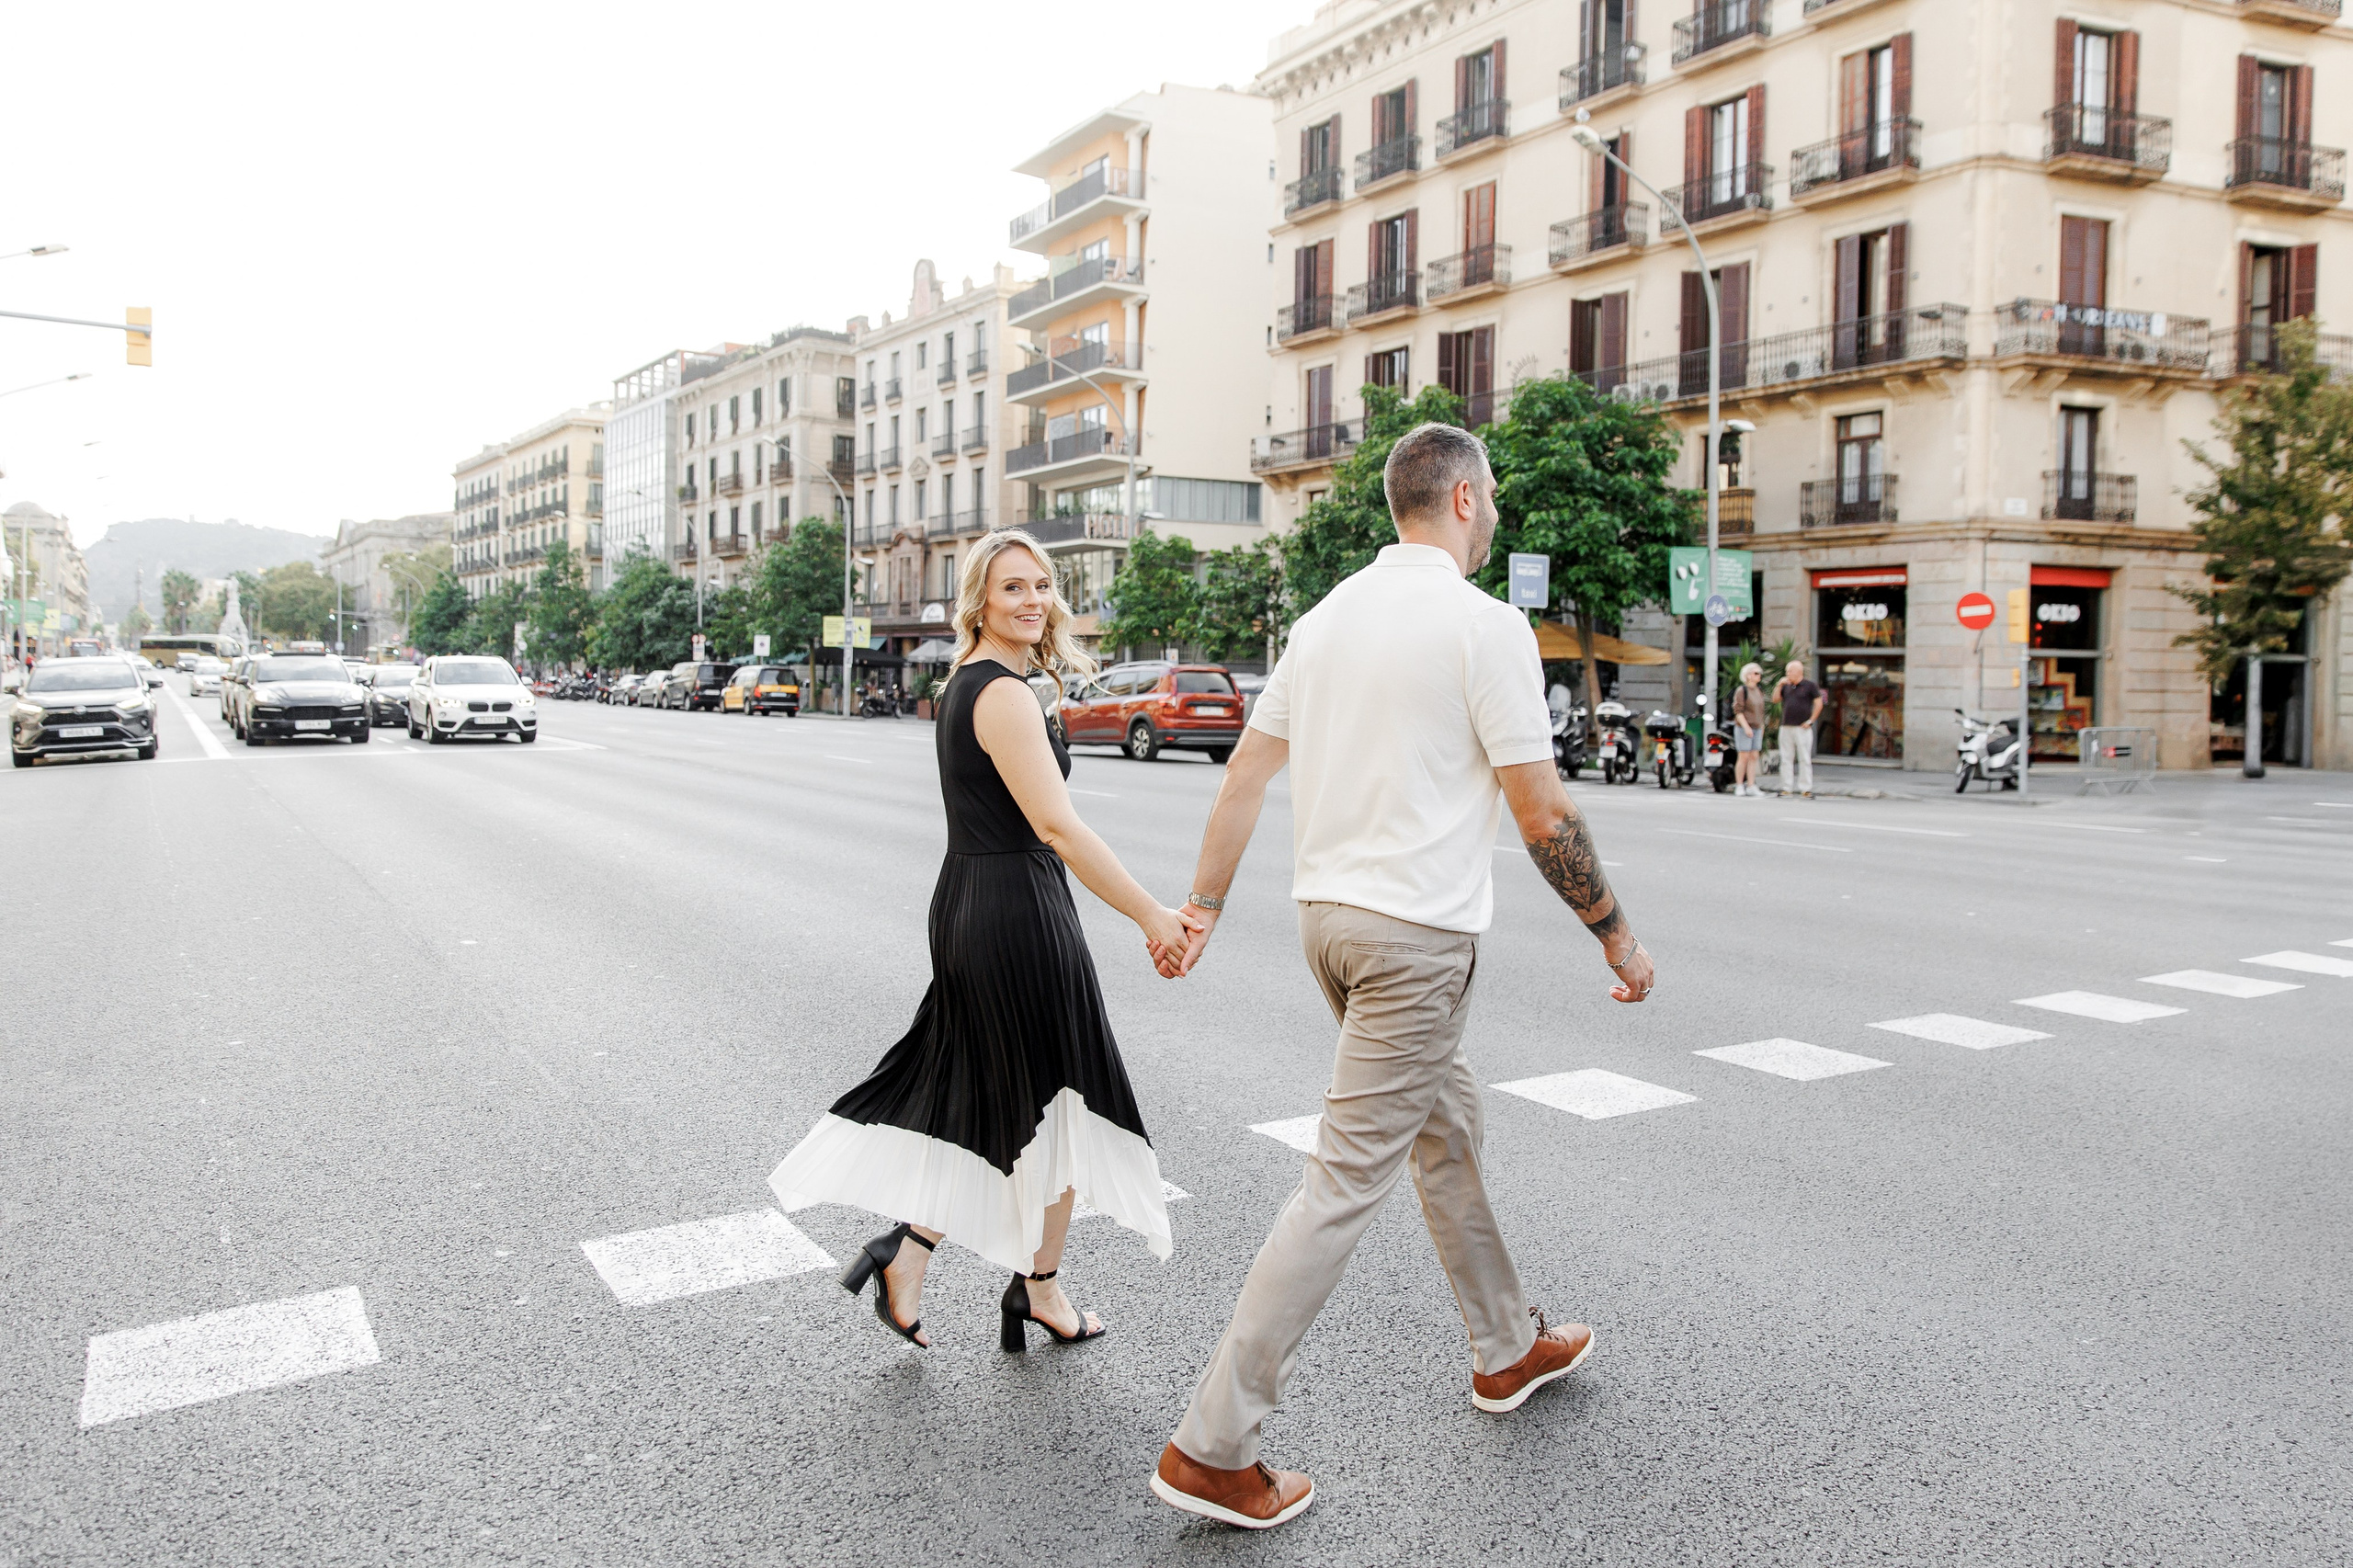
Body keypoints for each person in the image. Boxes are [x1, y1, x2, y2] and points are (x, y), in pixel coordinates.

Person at [1141, 424, 1655, 1530]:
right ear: (1464, 499)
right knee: (1343, 1181)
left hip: (1326, 923)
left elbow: (1243, 773)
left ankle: (1506, 1344)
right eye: (1495, 497)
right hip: (1414, 939)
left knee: (1445, 1121)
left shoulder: (1326, 620)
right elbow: (1542, 811)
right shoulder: (1485, 625)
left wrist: (1206, 904)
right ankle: (1213, 1444)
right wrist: (1613, 931)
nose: (1497, 512)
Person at [769, 528, 1199, 1350]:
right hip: (1015, 907)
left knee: (993, 1096)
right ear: (979, 599)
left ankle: (913, 1251)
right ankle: (1037, 1289)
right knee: (1068, 1101)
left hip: (976, 897)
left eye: (1041, 585)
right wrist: (1153, 915)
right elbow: (1055, 825)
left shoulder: (980, 681)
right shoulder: (1000, 692)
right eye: (1013, 588)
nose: (1033, 600)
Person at [1773, 658, 1821, 798]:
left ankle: (1805, 788)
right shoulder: (1786, 686)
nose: (1788, 674)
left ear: (1799, 672)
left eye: (1790, 671)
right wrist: (1779, 685)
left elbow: (1818, 703)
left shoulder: (1810, 686)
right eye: (1787, 671)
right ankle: (1786, 787)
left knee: (1804, 758)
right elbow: (1775, 700)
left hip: (1802, 727)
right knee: (1786, 757)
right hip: (1786, 726)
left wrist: (1811, 721)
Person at [1731, 661, 1768, 797]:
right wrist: (1746, 727)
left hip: (1757, 727)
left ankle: (1751, 785)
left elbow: (1762, 711)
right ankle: (1739, 784)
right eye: (1756, 673)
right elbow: (1738, 711)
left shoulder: (1759, 691)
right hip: (1744, 727)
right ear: (1748, 676)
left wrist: (1762, 727)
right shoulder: (1742, 690)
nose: (1759, 676)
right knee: (1743, 756)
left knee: (1754, 756)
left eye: (1760, 673)